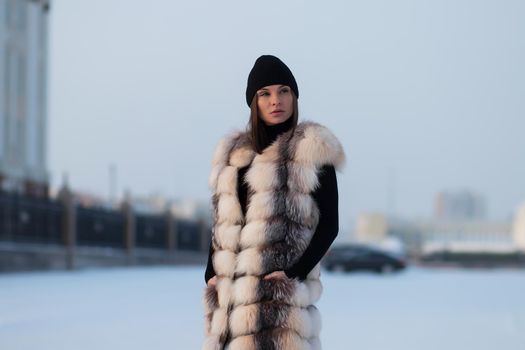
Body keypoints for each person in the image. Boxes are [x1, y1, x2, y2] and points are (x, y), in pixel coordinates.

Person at [202, 55, 345, 350]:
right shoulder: (232, 156)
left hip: (280, 306)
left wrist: (292, 274)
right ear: (254, 102)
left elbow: (330, 225)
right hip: (231, 304)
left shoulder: (311, 150)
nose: (275, 100)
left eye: (283, 91)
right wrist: (210, 273)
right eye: (264, 93)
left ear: (293, 96)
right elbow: (222, 223)